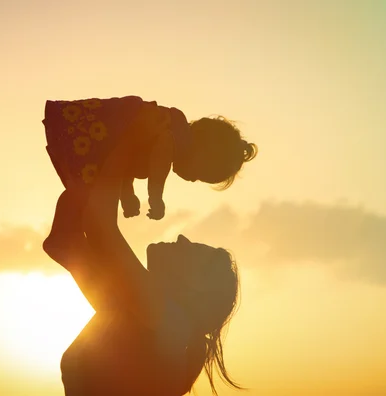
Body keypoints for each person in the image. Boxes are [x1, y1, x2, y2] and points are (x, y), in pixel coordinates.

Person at [43, 130, 243, 395]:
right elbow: (65, 243)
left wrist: (120, 150)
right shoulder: (129, 311)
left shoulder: (172, 323)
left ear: (195, 286)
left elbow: (99, 226)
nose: (183, 238)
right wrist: (85, 175)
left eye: (194, 250)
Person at [42, 96, 257, 264]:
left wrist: (128, 196)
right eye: (199, 173)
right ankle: (69, 240)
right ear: (202, 149)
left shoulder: (168, 135)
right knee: (95, 202)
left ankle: (69, 234)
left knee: (88, 193)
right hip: (103, 132)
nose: (192, 180)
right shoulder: (172, 137)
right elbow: (155, 160)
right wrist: (155, 197)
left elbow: (125, 163)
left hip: (107, 146)